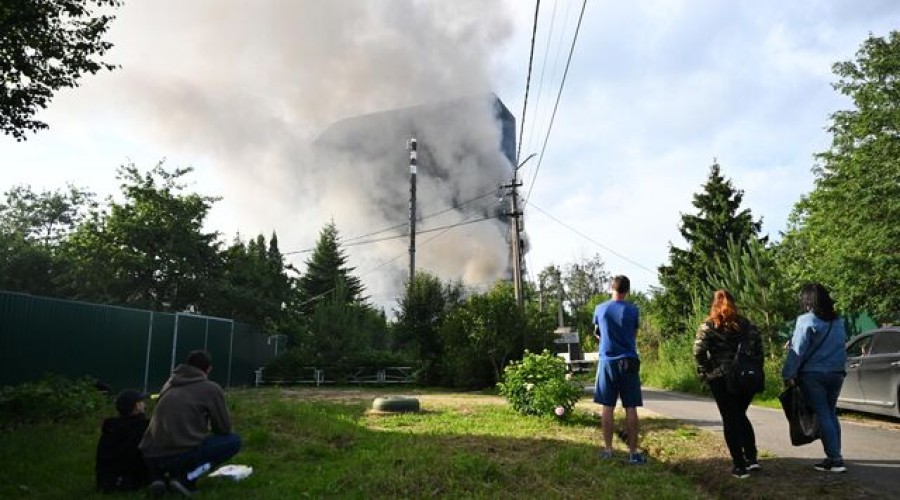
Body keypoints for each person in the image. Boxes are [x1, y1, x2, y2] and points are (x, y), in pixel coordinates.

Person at [140, 350, 242, 496]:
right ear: (208, 369)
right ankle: (186, 479)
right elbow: (223, 429)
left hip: (150, 454)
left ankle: (158, 477)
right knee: (233, 441)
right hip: (179, 454)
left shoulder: (169, 383)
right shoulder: (210, 388)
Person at [693, 289, 764, 479]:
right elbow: (758, 349)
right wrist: (755, 368)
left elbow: (698, 351)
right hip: (746, 377)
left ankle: (739, 465)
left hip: (721, 377)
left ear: (714, 305)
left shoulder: (709, 326)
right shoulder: (748, 325)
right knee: (740, 415)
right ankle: (752, 458)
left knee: (730, 419)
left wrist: (706, 369)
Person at [782, 283, 847, 473]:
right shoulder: (838, 321)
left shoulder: (806, 320)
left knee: (823, 413)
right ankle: (835, 456)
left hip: (814, 375)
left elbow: (798, 351)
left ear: (807, 300)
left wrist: (788, 374)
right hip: (836, 373)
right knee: (830, 412)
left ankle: (835, 460)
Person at [592, 275, 646, 464]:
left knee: (607, 407)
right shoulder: (633, 310)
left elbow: (598, 332)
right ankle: (633, 453)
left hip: (607, 361)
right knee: (631, 408)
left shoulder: (600, 309)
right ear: (627, 290)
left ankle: (607, 449)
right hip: (629, 361)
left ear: (611, 287)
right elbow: (634, 334)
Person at [95, 389, 150, 492]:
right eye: (142, 402)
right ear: (137, 406)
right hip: (133, 481)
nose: (144, 404)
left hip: (106, 481)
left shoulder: (110, 427)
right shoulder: (143, 427)